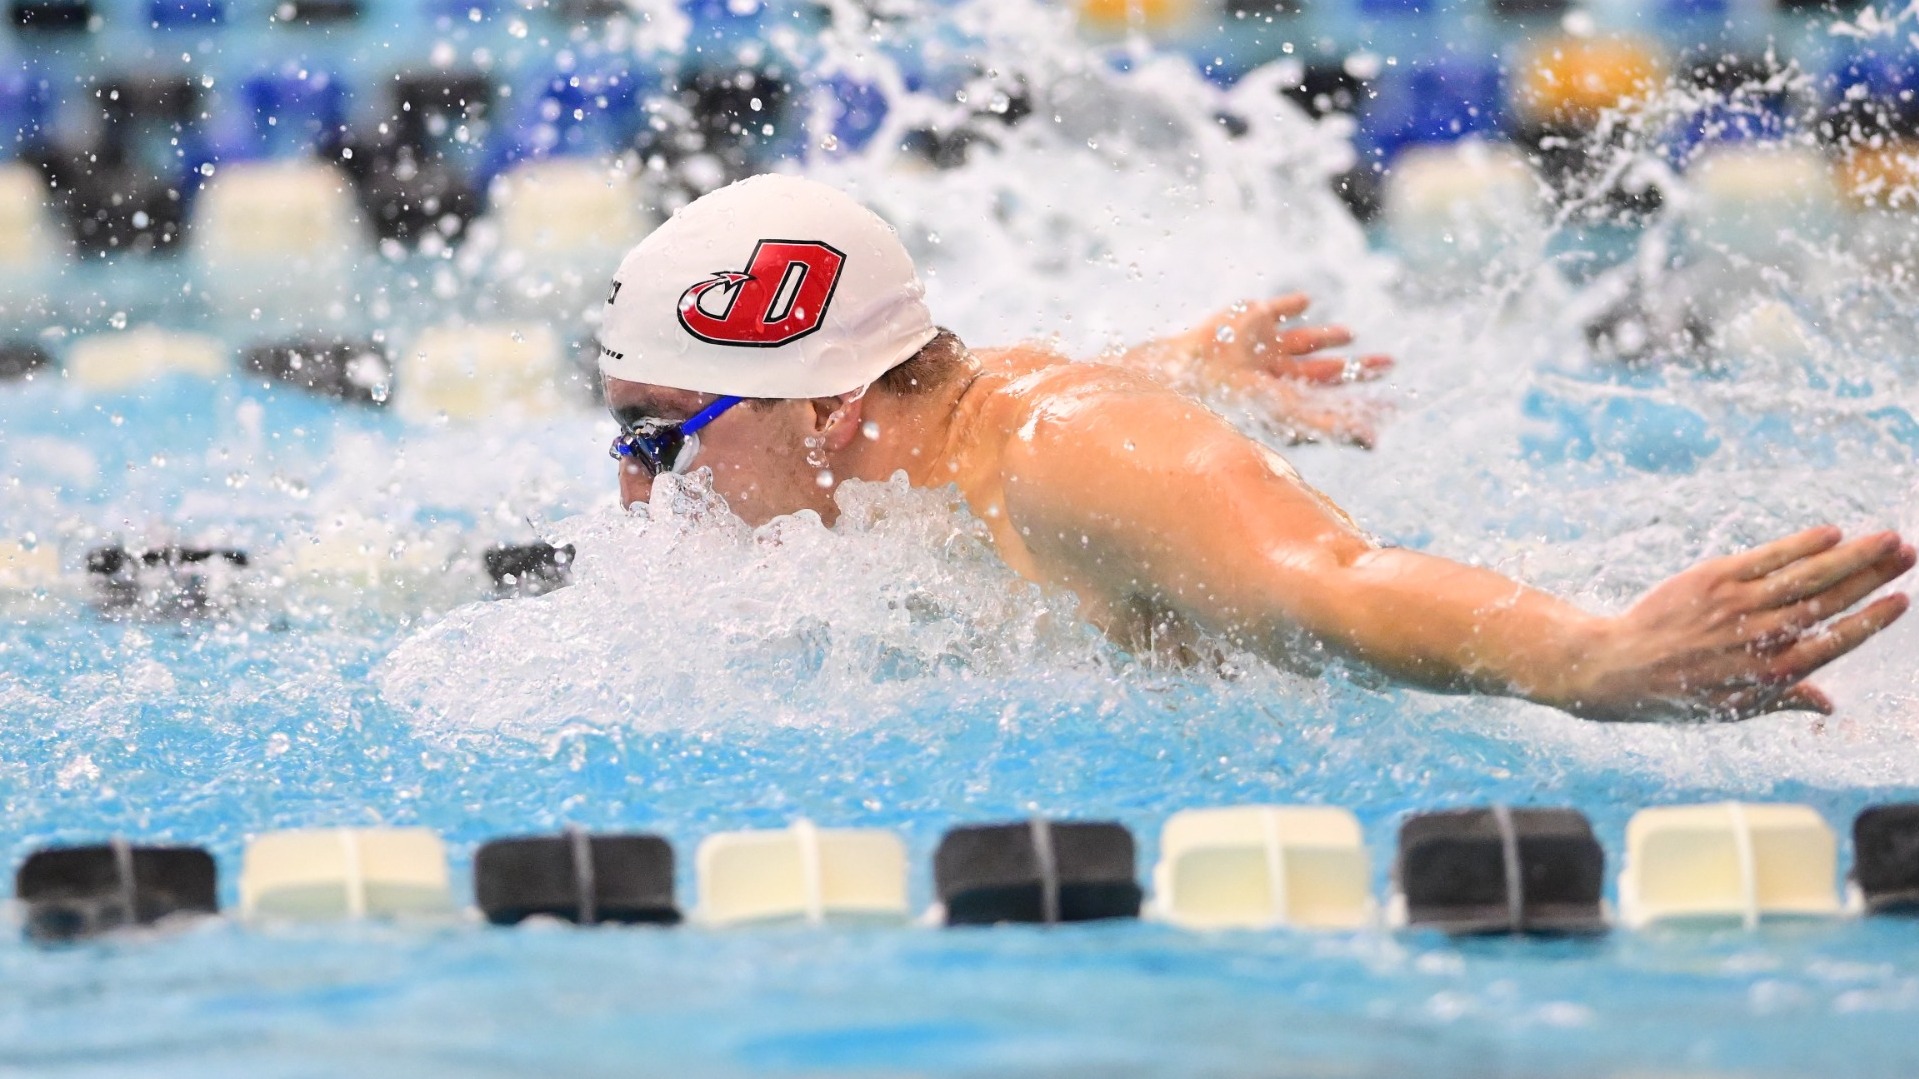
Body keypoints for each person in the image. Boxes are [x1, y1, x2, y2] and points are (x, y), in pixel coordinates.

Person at [595, 174, 1913, 723]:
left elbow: (1330, 577)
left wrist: (1586, 654)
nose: (634, 484)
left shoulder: (1069, 458)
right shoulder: (921, 445)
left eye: (659, 435)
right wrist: (1173, 365)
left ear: (824, 408)